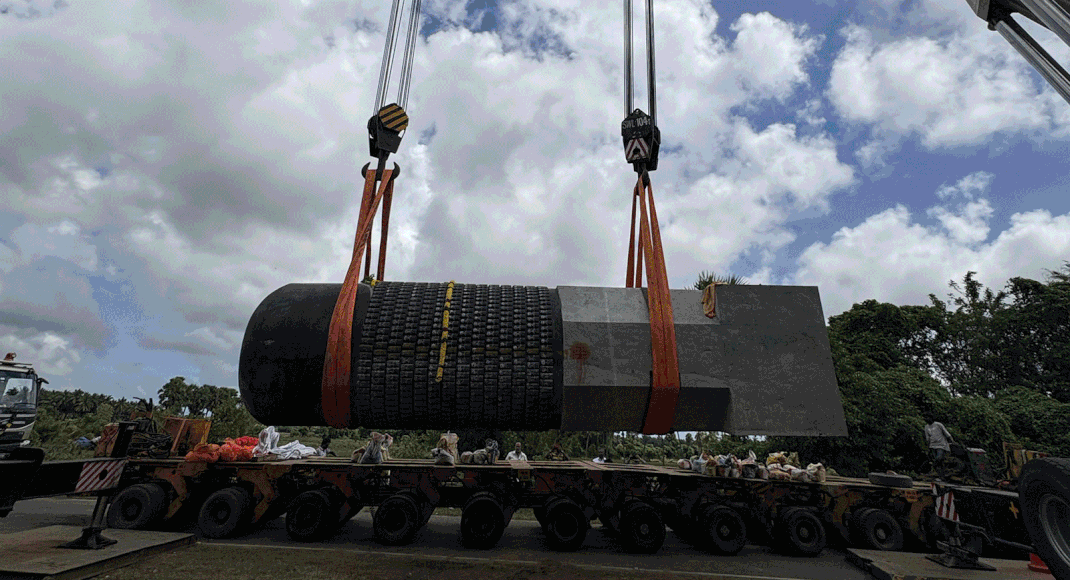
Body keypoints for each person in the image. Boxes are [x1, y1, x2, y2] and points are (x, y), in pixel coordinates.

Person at [924, 414, 954, 479]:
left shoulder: (938, 424)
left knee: (938, 458)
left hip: (941, 445)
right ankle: (941, 475)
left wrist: (951, 441)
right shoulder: (926, 427)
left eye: (927, 417)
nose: (926, 419)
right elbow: (927, 438)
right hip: (932, 445)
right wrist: (928, 447)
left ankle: (936, 470)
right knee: (939, 462)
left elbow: (946, 433)